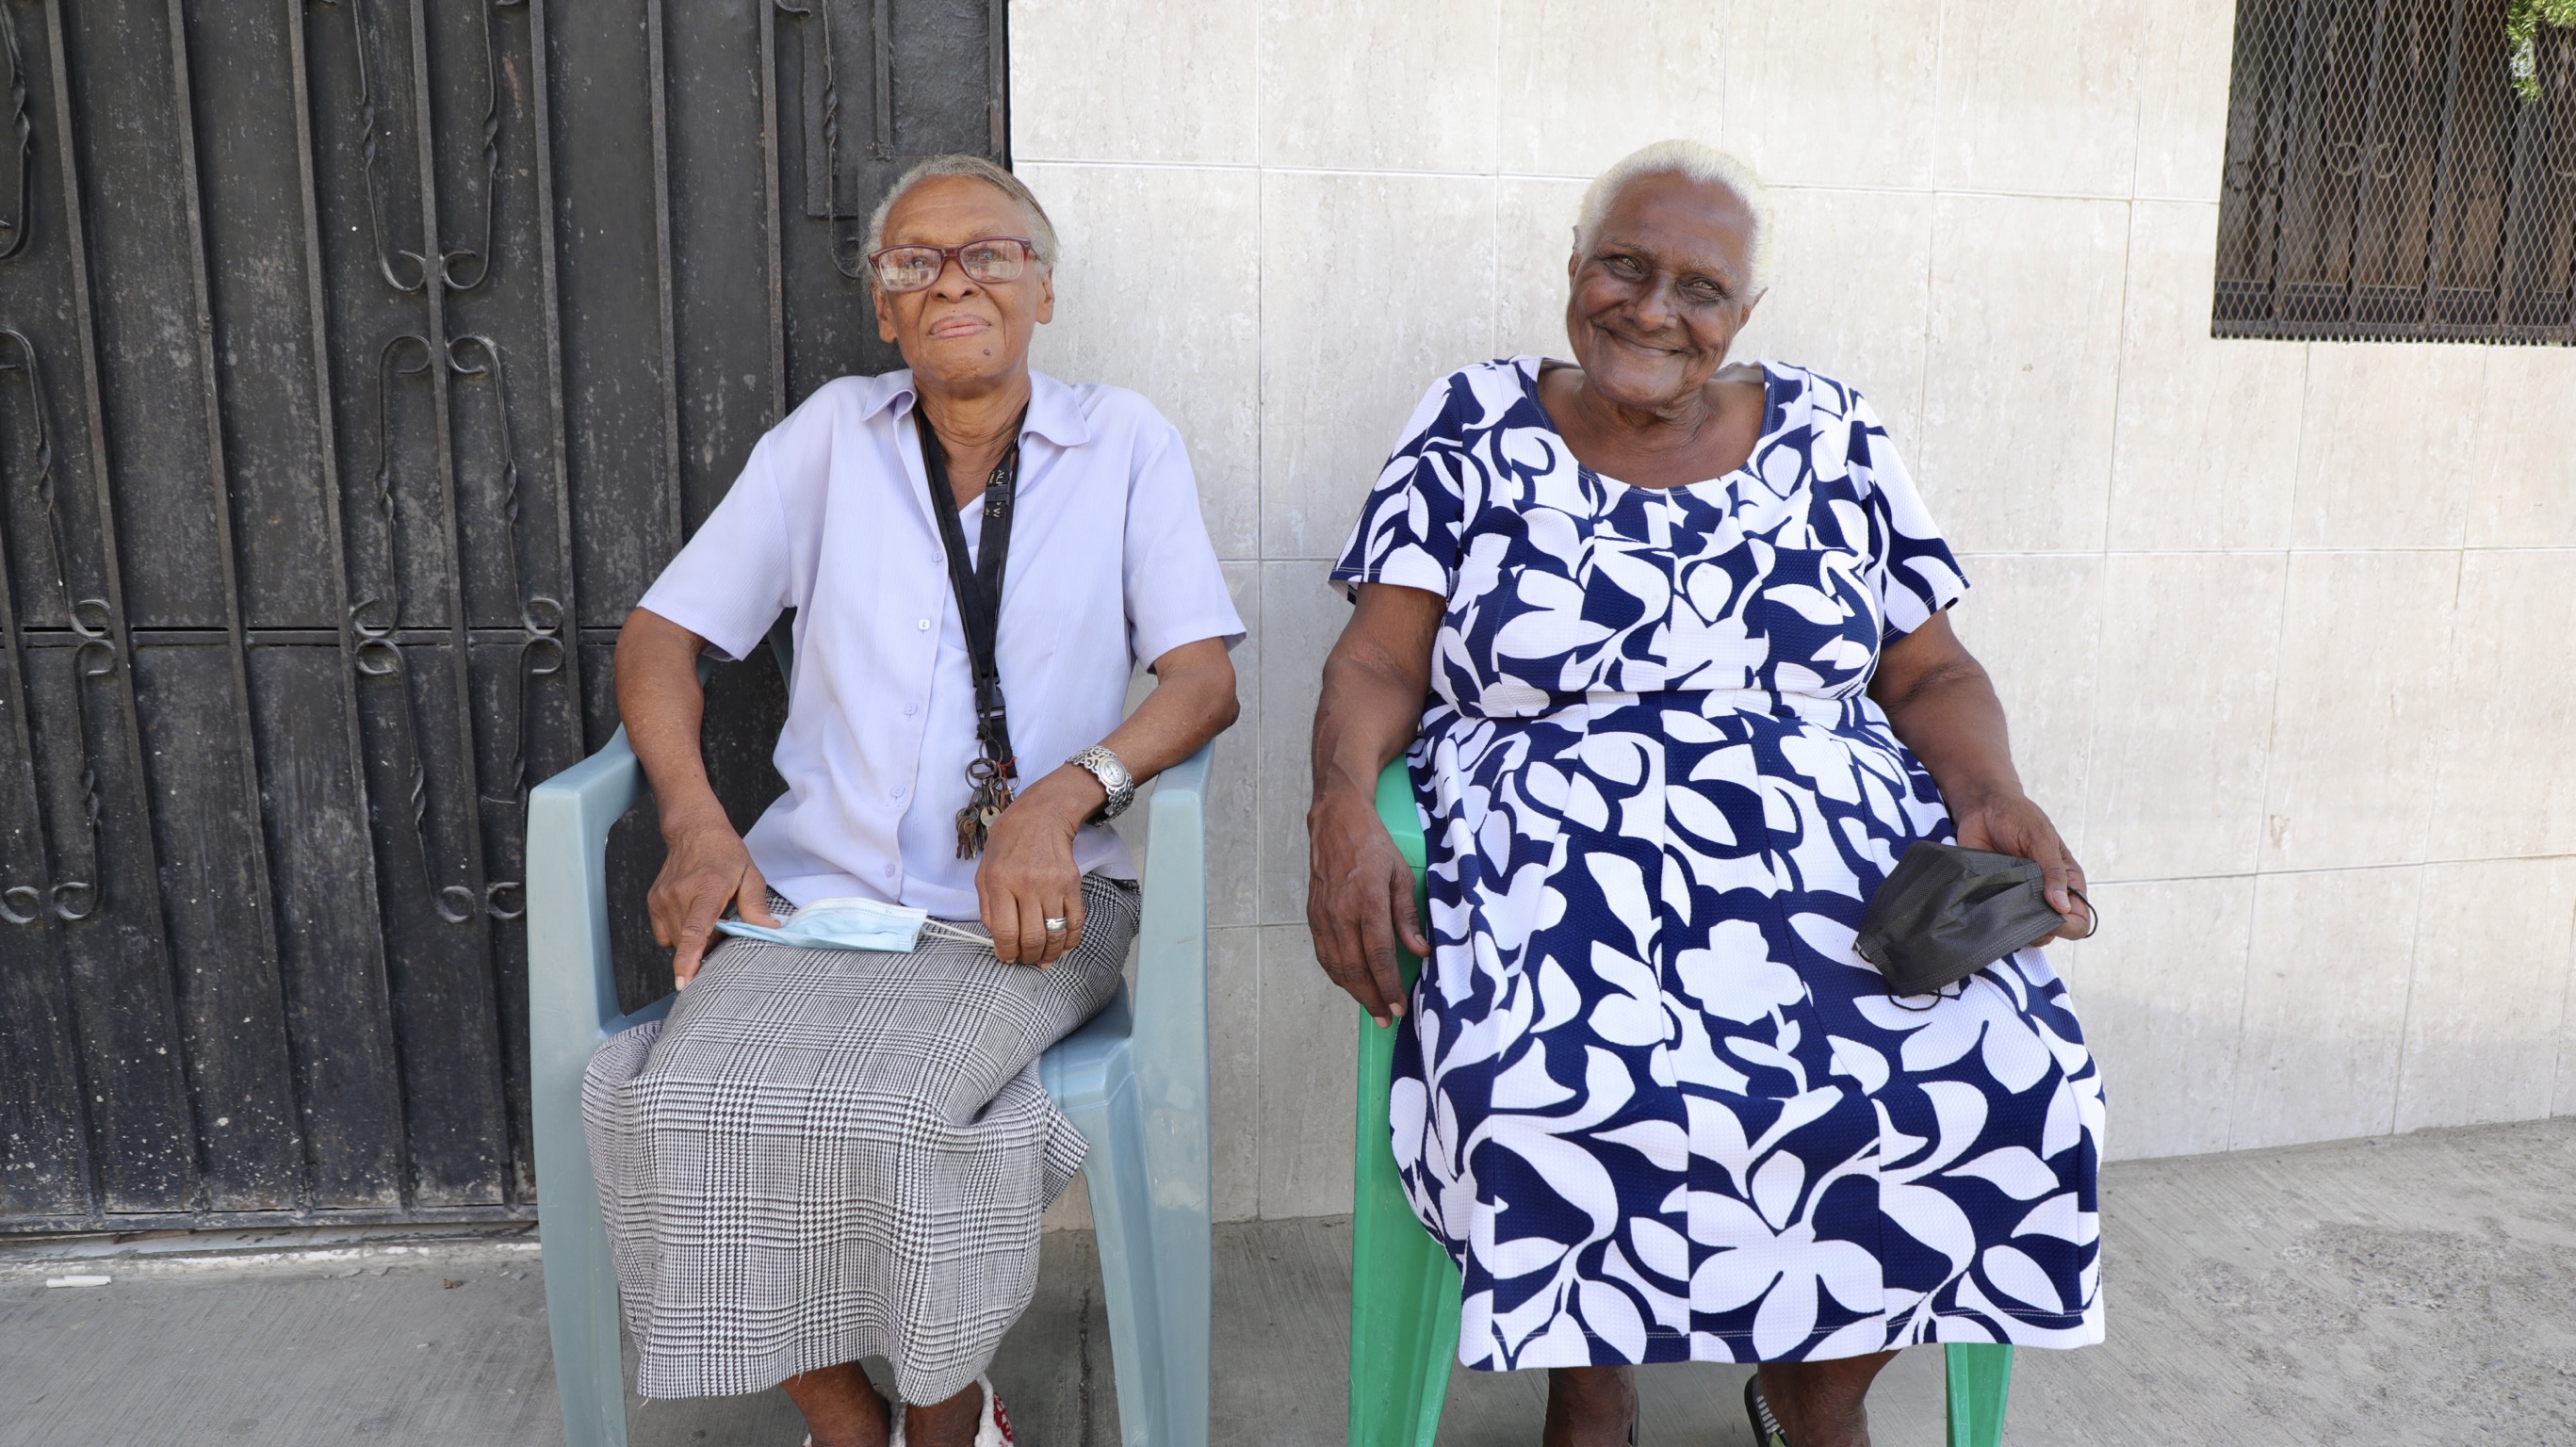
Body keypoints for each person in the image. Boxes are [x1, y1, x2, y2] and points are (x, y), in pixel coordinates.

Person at [1304, 140, 2103, 1447]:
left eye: (1699, 288)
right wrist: (1341, 807)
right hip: (1551, 844)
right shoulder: (1471, 420)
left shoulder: (1835, 433)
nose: (1652, 309)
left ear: (1746, 313)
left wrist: (1993, 791)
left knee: (2007, 1076)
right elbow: (1381, 659)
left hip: (1834, 853)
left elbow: (1931, 667)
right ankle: (1590, 1384)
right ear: (1573, 267)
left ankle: (1815, 1390)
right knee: (1560, 1086)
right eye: (1623, 266)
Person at [584, 154, 1242, 1447]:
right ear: (884, 310)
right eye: (914, 263)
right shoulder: (831, 435)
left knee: (901, 1117)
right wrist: (695, 820)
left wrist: (1060, 800)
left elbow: (1202, 679)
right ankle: (848, 1423)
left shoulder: (1122, 442)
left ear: (1042, 290)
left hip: (1036, 907)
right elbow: (663, 634)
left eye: (989, 253)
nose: (953, 281)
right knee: (667, 1101)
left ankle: (947, 1417)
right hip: (815, 898)